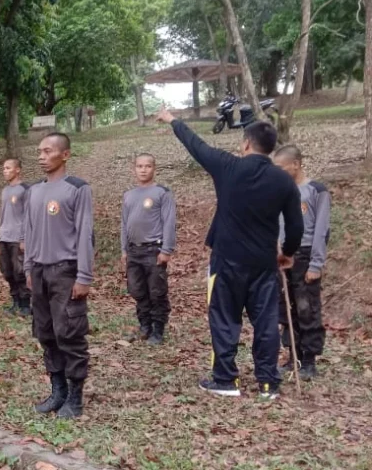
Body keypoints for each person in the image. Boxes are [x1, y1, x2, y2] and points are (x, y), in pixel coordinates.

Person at [156, 108, 302, 400]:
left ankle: (225, 379)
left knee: (224, 318)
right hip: (263, 263)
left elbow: (195, 145)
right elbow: (296, 227)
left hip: (227, 261)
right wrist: (287, 253)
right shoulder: (284, 181)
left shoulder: (227, 166)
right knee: (265, 320)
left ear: (246, 143)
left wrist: (172, 119)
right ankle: (267, 383)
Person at [23, 133, 94, 419]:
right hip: (39, 271)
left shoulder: (77, 189)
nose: (41, 156)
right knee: (46, 333)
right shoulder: (33, 191)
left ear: (64, 155)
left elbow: (85, 233)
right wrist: (28, 268)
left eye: (48, 151)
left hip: (66, 271)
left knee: (69, 333)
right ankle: (58, 389)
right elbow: (28, 232)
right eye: (39, 151)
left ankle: (75, 397)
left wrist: (84, 276)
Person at [273, 145, 329, 381]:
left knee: (307, 308)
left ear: (295, 164)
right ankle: (292, 355)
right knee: (286, 309)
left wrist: (316, 264)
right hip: (281, 256)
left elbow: (321, 230)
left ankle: (309, 360)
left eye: (281, 168)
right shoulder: (279, 192)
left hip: (305, 255)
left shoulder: (316, 191)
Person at [120, 154, 176, 345]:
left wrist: (166, 250)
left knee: (156, 291)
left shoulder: (162, 193)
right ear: (133, 169)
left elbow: (169, 222)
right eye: (139, 166)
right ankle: (145, 325)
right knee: (137, 290)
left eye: (148, 166)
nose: (143, 169)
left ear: (154, 169)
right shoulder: (128, 195)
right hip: (134, 251)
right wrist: (124, 250)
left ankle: (158, 329)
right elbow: (124, 224)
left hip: (154, 250)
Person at [0, 158, 31, 317]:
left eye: (8, 168)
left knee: (20, 272)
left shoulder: (25, 189)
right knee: (8, 271)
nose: (5, 171)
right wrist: (0, 236)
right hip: (5, 237)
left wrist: (24, 238)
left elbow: (28, 216)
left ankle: (26, 304)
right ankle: (15, 301)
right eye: (4, 168)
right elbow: (3, 215)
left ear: (17, 170)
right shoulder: (5, 191)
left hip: (18, 238)